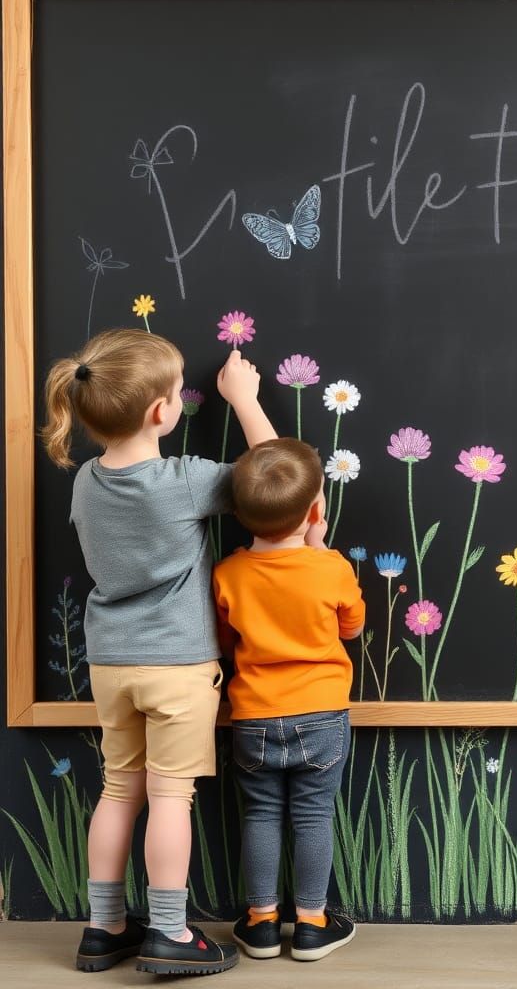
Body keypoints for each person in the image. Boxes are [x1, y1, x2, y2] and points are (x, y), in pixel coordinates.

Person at [42, 329, 275, 975]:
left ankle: (104, 926)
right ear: (161, 412)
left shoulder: (86, 480)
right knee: (172, 798)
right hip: (176, 667)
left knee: (120, 790)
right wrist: (246, 399)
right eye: (176, 394)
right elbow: (274, 476)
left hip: (111, 665)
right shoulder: (184, 481)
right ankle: (170, 932)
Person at [212, 438, 365, 962]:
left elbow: (226, 641)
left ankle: (259, 923)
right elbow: (353, 627)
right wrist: (321, 553)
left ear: (238, 514)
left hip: (253, 715)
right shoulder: (332, 568)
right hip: (321, 714)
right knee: (314, 815)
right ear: (315, 513)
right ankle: (313, 924)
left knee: (259, 814)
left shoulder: (228, 574)